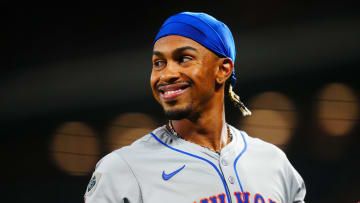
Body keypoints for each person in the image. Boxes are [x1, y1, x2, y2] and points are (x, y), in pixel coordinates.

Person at [84, 11, 306, 203]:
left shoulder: (273, 163)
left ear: (223, 69)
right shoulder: (124, 168)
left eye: (184, 59)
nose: (167, 74)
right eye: (158, 63)